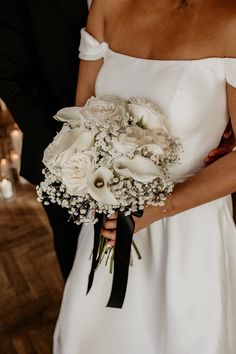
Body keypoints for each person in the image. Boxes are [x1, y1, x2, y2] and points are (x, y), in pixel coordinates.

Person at [53, 0, 236, 353]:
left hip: (190, 231)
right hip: (109, 222)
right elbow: (80, 119)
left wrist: (158, 209)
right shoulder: (106, 6)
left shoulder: (229, 21)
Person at [0, 0, 88, 279]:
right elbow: (13, 80)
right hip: (61, 164)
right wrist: (74, 153)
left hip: (149, 147)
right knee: (80, 268)